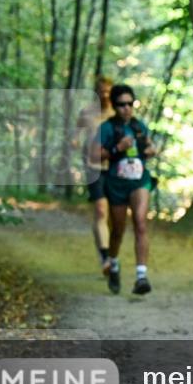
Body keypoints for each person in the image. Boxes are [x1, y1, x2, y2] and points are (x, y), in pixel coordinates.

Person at [96, 85, 158, 295]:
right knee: (118, 230)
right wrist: (117, 149)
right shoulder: (107, 128)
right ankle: (113, 263)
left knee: (140, 222)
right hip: (117, 183)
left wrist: (150, 150)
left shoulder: (140, 127)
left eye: (130, 104)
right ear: (114, 106)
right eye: (122, 104)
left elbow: (148, 147)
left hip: (139, 180)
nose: (126, 108)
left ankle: (141, 276)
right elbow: (93, 156)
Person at [76, 76, 114, 277]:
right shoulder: (87, 112)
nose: (105, 95)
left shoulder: (118, 113)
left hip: (116, 169)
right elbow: (76, 133)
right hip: (94, 167)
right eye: (101, 91)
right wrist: (74, 142)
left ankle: (108, 251)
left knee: (113, 215)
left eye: (108, 91)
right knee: (100, 211)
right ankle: (105, 257)